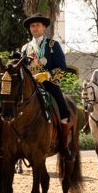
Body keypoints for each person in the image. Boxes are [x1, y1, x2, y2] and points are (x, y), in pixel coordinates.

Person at [20, 13, 70, 155]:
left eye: (37, 25)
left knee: (63, 110)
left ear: (43, 28)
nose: (35, 28)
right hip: (31, 86)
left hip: (49, 85)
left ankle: (64, 145)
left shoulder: (53, 45)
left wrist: (47, 75)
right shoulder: (25, 48)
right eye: (32, 26)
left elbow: (62, 68)